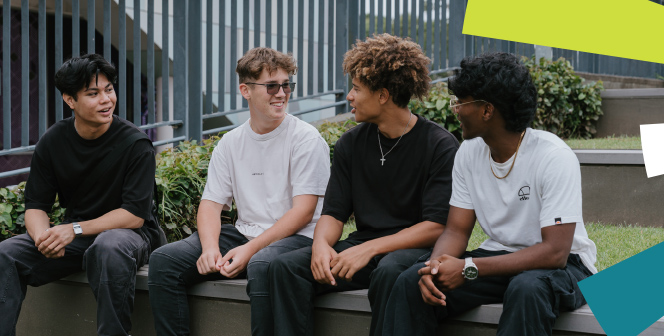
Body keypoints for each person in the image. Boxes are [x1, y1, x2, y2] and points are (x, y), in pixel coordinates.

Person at [382, 52, 598, 336]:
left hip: (565, 267)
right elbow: (457, 231)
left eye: (461, 102)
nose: (455, 109)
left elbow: (555, 252)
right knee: (414, 281)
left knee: (527, 288)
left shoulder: (553, 157)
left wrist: (469, 268)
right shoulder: (469, 152)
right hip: (499, 258)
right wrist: (434, 267)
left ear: (487, 110)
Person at [266, 34, 460, 336]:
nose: (349, 97)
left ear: (383, 95)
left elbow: (436, 226)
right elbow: (333, 213)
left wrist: (369, 249)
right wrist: (320, 247)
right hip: (364, 248)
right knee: (285, 268)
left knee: (390, 271)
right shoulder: (351, 144)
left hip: (414, 249)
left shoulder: (439, 145)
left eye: (356, 89)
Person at [147, 47, 330, 336]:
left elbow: (304, 211)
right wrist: (209, 249)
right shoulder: (230, 142)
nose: (281, 93)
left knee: (262, 264)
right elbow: (210, 204)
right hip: (246, 235)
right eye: (272, 86)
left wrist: (250, 249)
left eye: (287, 85)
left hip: (297, 239)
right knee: (164, 261)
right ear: (245, 90)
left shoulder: (306, 139)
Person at [0, 53, 161, 336]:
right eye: (93, 93)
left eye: (109, 90)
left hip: (130, 237)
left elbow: (134, 215)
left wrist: (72, 229)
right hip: (79, 238)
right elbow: (36, 205)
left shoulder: (136, 144)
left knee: (108, 246)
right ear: (70, 100)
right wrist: (43, 239)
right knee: (5, 254)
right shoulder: (53, 141)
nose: (106, 100)